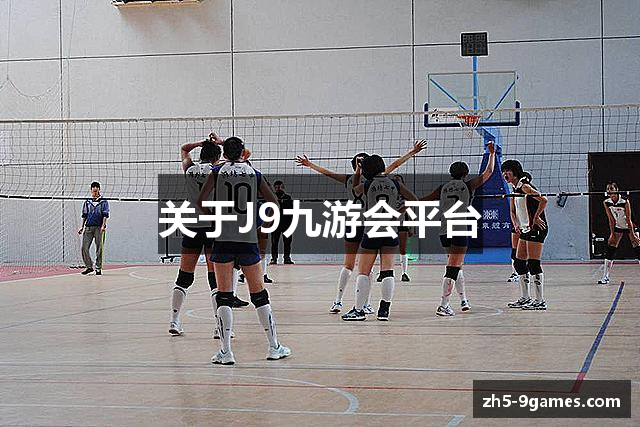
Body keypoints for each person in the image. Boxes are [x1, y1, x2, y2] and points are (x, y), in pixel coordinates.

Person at [296, 139, 427, 314]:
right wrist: (412, 152)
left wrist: (310, 164)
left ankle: (351, 303)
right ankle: (352, 303)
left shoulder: (360, 180)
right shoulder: (367, 179)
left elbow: (329, 173)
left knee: (358, 267)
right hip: (365, 223)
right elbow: (395, 165)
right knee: (359, 267)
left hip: (362, 224)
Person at [198, 136, 290, 365]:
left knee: (224, 295)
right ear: (242, 152)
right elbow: (274, 204)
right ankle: (274, 347)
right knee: (259, 295)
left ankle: (226, 351)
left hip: (223, 238)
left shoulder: (216, 172)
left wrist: (215, 218)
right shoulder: (254, 174)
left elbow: (200, 201)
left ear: (223, 154)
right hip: (247, 239)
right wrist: (263, 224)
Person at [169, 134, 248, 337]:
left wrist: (201, 143)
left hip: (192, 227)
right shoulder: (219, 170)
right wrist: (222, 143)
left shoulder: (190, 169)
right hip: (214, 227)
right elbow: (244, 155)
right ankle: (219, 327)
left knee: (184, 276)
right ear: (217, 157)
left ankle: (174, 321)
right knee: (216, 280)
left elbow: (184, 149)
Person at [420, 142, 495, 316]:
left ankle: (463, 300)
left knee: (456, 265)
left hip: (444, 231)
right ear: (465, 174)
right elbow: (489, 172)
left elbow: (423, 200)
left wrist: (406, 202)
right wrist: (491, 154)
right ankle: (443, 305)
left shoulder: (442, 188)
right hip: (459, 230)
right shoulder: (468, 185)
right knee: (453, 267)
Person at [341, 155, 418, 321]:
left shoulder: (367, 184)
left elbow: (354, 190)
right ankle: (384, 311)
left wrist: (357, 170)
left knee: (363, 271)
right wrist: (398, 211)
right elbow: (415, 200)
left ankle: (359, 311)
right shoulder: (395, 183)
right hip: (390, 231)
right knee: (388, 271)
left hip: (372, 230)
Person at [502, 160, 549, 310]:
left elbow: (544, 200)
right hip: (525, 229)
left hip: (536, 229)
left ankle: (540, 301)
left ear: (515, 172)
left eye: (507, 171)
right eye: (503, 171)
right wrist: (517, 224)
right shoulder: (515, 188)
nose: (505, 174)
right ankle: (525, 298)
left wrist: (536, 217)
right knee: (519, 262)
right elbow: (515, 210)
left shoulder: (524, 187)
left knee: (533, 264)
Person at [598, 181, 640, 284]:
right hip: (618, 226)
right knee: (611, 247)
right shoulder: (606, 202)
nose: (609, 191)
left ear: (617, 190)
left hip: (630, 226)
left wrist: (633, 235)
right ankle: (605, 277)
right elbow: (611, 219)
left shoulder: (624, 201)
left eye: (611, 189)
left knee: (637, 246)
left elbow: (629, 220)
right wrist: (612, 234)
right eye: (608, 189)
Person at [78, 182, 109, 275]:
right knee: (84, 248)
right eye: (93, 191)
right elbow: (84, 215)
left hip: (99, 227)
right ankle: (89, 266)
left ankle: (98, 268)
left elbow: (105, 214)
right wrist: (82, 226)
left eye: (96, 191)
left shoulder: (103, 201)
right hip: (88, 227)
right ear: (91, 190)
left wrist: (103, 225)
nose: (95, 192)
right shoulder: (87, 201)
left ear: (99, 190)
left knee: (99, 248)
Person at [507, 172, 531, 283]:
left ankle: (527, 272)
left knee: (526, 251)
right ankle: (515, 273)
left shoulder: (529, 192)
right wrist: (515, 224)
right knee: (515, 251)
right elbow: (512, 211)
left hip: (527, 226)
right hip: (518, 225)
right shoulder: (514, 193)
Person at [270, 180, 295, 264]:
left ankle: (287, 258)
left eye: (279, 187)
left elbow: (291, 211)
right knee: (274, 242)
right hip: (275, 223)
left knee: (287, 242)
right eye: (276, 187)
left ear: (283, 187)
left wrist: (290, 223)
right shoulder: (272, 197)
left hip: (286, 223)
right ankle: (274, 258)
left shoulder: (288, 197)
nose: (278, 188)